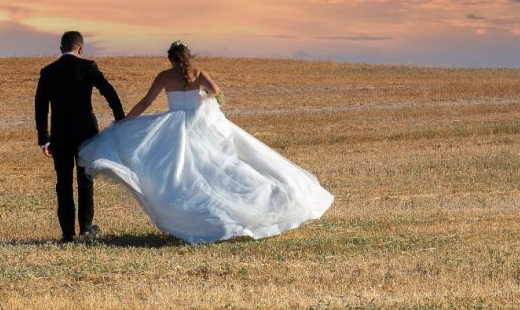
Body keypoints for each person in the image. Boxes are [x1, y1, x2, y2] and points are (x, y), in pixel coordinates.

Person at [77, 41, 333, 243]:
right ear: (189, 55)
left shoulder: (164, 76)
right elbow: (218, 95)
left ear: (170, 58)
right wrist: (209, 103)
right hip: (201, 124)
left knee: (182, 174)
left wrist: (125, 122)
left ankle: (197, 217)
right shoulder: (199, 73)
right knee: (217, 168)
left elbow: (145, 102)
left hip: (173, 127)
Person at [33, 30, 124, 243]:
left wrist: (44, 138)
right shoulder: (88, 67)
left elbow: (41, 108)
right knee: (85, 180)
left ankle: (67, 233)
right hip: (86, 133)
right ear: (80, 49)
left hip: (60, 134)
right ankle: (85, 229)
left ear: (61, 49)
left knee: (63, 183)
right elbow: (108, 91)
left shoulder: (48, 72)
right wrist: (120, 118)